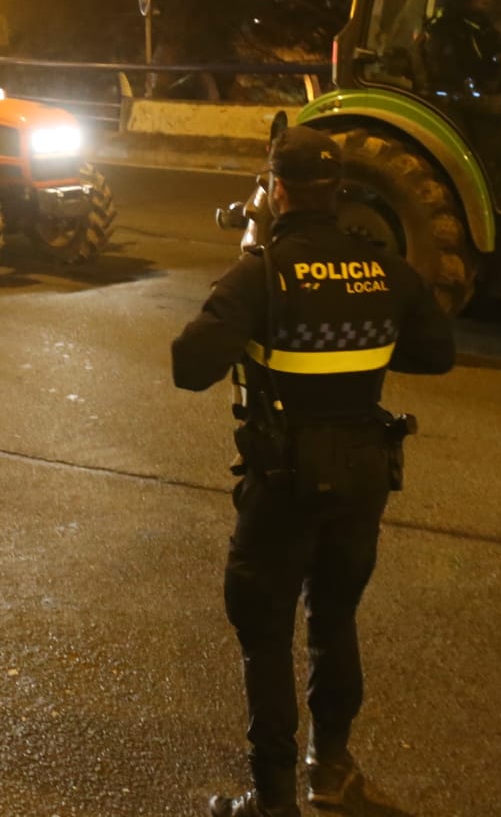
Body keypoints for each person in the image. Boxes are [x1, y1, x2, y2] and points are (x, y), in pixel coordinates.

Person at [171, 125, 456, 817]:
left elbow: (188, 366)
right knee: (334, 617)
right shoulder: (384, 268)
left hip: (285, 481)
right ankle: (331, 772)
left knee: (265, 631)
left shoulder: (262, 274)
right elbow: (437, 352)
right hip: (363, 475)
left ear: (275, 191)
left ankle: (272, 802)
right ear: (338, 195)